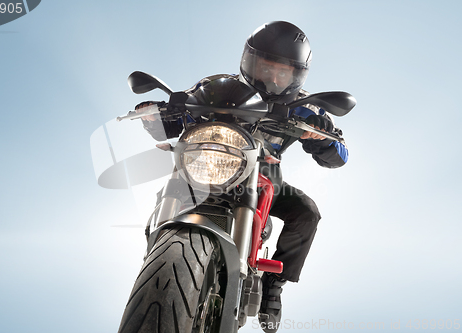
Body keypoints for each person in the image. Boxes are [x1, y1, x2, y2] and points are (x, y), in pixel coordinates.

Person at [136, 21, 348, 333]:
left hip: (263, 177)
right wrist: (155, 114)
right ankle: (154, 256)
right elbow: (177, 118)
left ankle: (274, 283)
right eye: (265, 67)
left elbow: (339, 155)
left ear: (296, 75)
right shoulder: (219, 87)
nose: (272, 78)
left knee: (307, 213)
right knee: (173, 180)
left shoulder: (306, 107)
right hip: (206, 165)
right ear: (249, 61)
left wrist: (324, 138)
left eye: (282, 73)